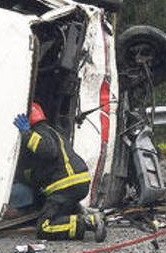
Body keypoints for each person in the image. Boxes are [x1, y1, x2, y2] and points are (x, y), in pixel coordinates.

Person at [13, 102, 106, 242]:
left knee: (45, 227)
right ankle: (83, 214)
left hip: (66, 186)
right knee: (58, 209)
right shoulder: (50, 131)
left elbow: (48, 151)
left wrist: (26, 134)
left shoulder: (39, 132)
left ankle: (88, 222)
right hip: (76, 182)